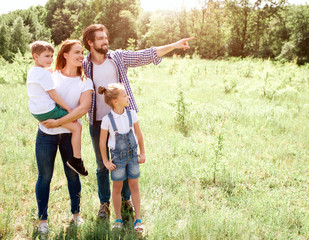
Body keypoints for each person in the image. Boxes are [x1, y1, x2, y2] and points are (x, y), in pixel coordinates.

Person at [82, 23, 193, 219]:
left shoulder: (117, 57)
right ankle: (104, 204)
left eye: (106, 37)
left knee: (124, 160)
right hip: (98, 122)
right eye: (100, 38)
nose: (105, 40)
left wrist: (174, 45)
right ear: (90, 42)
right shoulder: (84, 65)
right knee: (102, 165)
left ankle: (126, 200)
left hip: (123, 121)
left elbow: (147, 54)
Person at [34, 40, 93, 234]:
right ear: (65, 54)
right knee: (44, 177)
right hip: (46, 135)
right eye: (77, 52)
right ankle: (42, 220)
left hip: (69, 135)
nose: (81, 55)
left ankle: (76, 215)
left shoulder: (86, 81)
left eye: (82, 52)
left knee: (73, 175)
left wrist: (58, 122)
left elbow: (83, 109)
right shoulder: (51, 75)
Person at [27, 40, 88, 177]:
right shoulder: (44, 74)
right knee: (77, 127)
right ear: (36, 57)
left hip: (37, 112)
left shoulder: (33, 71)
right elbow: (53, 94)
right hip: (48, 111)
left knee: (43, 176)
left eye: (51, 56)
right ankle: (77, 160)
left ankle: (76, 160)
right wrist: (68, 109)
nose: (50, 59)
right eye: (46, 56)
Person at [98, 83, 145, 231]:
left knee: (134, 187)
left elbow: (139, 134)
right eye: (125, 95)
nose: (128, 97)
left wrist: (142, 152)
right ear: (115, 101)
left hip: (132, 156)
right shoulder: (107, 120)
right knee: (117, 187)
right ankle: (118, 218)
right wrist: (105, 161)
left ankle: (138, 219)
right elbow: (102, 142)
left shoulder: (131, 114)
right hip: (117, 158)